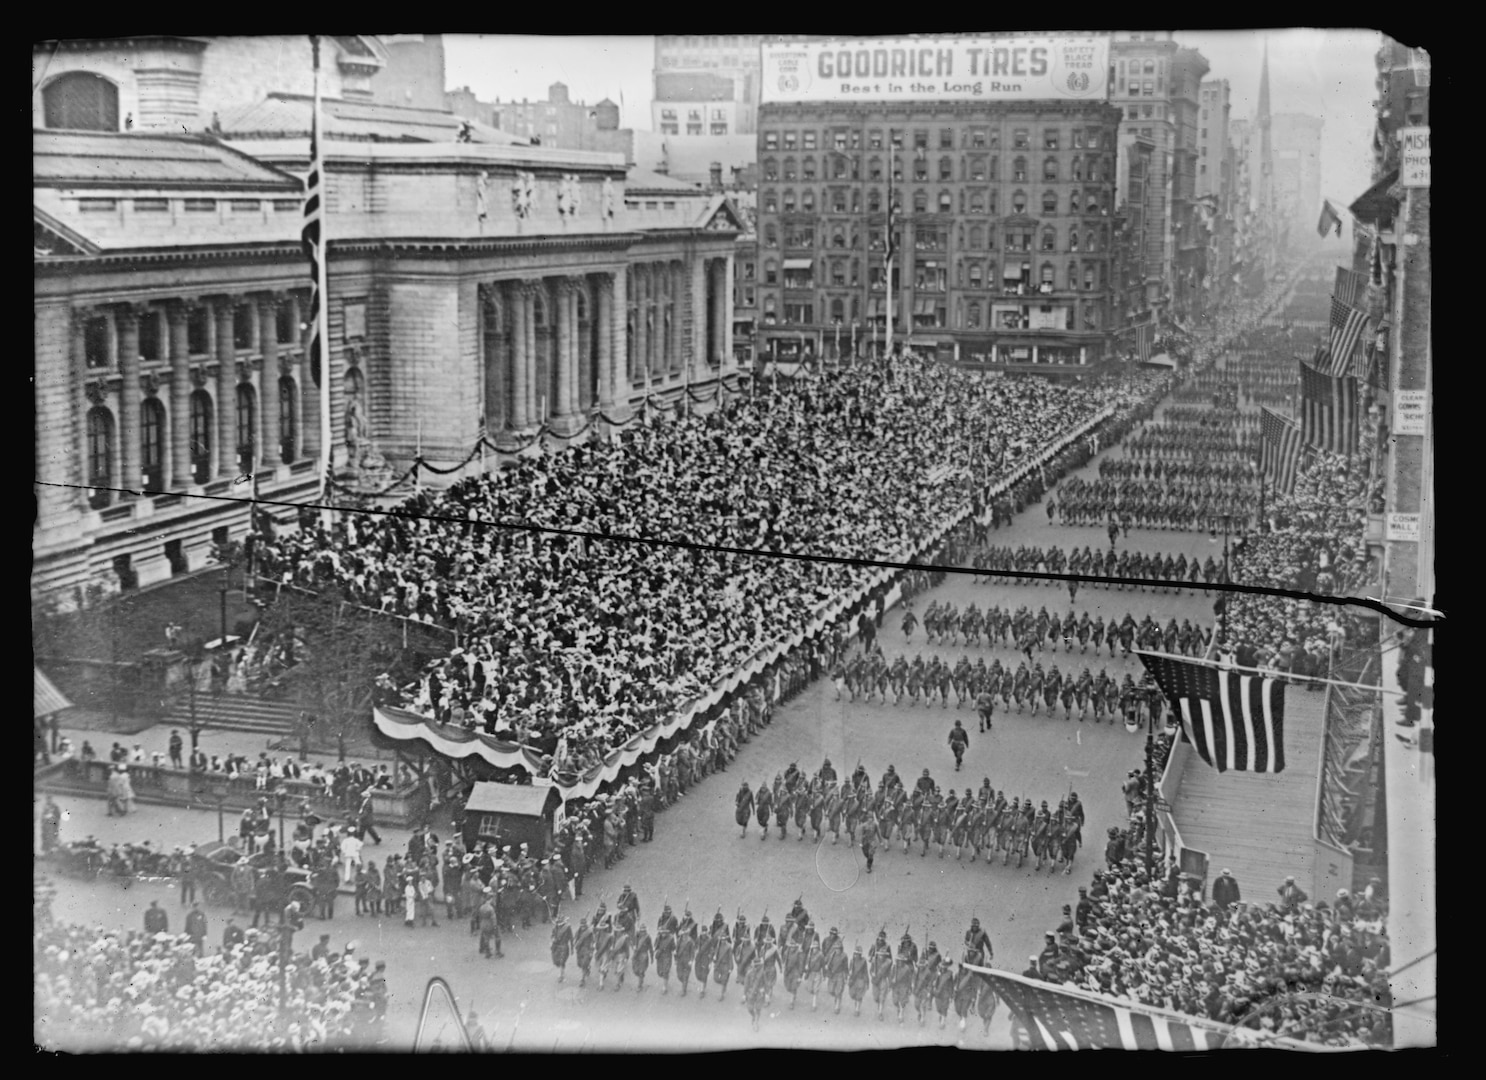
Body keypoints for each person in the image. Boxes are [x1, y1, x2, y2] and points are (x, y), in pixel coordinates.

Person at [478, 890, 501, 958]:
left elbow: (480, 917)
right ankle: (497, 952)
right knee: (498, 937)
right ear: (490, 899)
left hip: (483, 924)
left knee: (486, 938)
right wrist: (495, 926)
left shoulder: (481, 907)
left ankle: (487, 953)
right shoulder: (491, 908)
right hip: (490, 924)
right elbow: (493, 919)